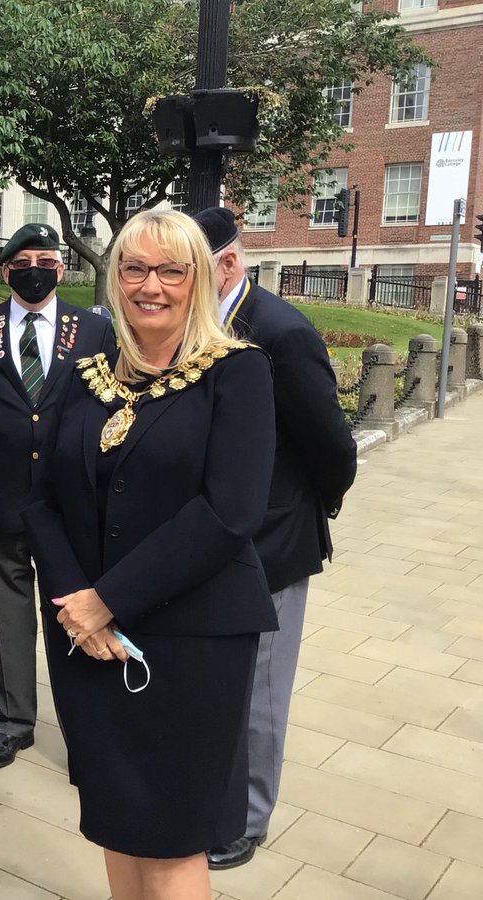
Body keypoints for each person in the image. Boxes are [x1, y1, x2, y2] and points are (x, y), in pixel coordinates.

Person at [22, 209, 279, 900]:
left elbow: (230, 513)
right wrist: (79, 605)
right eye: (134, 267)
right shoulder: (83, 375)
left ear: (199, 279)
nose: (150, 285)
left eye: (171, 269)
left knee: (170, 836)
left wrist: (108, 601)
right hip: (86, 638)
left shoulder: (238, 374)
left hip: (190, 640)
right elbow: (41, 499)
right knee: (117, 821)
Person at [194, 207, 358, 869]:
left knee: (260, 691)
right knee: (219, 686)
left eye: (186, 271)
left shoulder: (281, 333)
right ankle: (217, 794)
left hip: (272, 543)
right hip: (210, 541)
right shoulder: (199, 325)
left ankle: (249, 817)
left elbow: (332, 445)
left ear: (229, 264)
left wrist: (307, 508)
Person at [0, 223, 113, 769]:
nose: (34, 267)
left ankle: (86, 734)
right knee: (7, 622)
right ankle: (14, 724)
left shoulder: (92, 330)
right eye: (22, 259)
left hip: (69, 509)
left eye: (46, 258)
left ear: (61, 268)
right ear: (6, 267)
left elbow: (108, 408)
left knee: (76, 618)